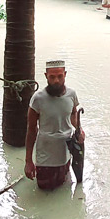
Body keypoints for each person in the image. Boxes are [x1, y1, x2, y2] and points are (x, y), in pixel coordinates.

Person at [25, 60, 84, 190]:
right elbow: (31, 130)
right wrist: (28, 161)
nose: (56, 80)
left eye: (59, 76)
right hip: (46, 154)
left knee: (64, 185)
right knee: (44, 188)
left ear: (65, 75)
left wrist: (79, 129)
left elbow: (73, 114)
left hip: (66, 150)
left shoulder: (71, 94)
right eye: (52, 77)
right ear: (46, 76)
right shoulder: (38, 98)